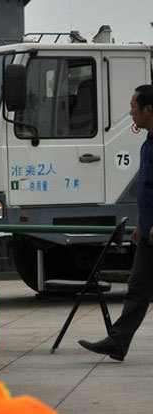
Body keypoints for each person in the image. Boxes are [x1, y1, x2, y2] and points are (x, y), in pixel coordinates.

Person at [79, 84, 153, 361]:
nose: (131, 112)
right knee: (137, 288)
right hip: (147, 232)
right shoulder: (148, 142)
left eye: (134, 107)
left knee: (139, 288)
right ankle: (117, 342)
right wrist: (141, 221)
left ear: (148, 109)